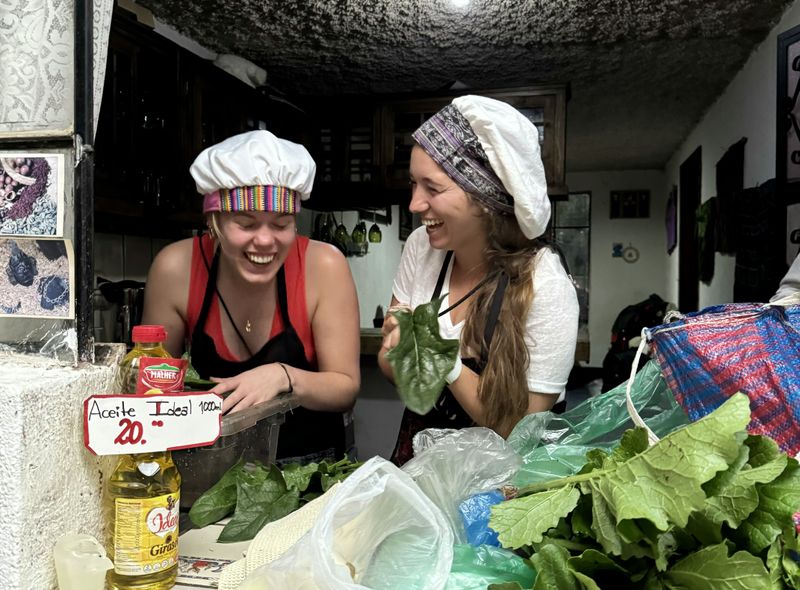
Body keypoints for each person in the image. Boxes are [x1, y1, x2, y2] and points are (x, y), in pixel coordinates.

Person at [377, 95, 579, 465]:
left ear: (484, 197)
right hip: (421, 465)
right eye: (413, 184)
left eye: (432, 188)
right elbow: (391, 370)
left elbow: (522, 430)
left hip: (502, 485)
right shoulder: (421, 248)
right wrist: (398, 345)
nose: (414, 204)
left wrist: (442, 358)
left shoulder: (545, 282)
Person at [142, 129, 360, 463]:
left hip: (312, 470)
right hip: (213, 471)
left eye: (281, 224)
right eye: (246, 224)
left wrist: (283, 376)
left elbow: (345, 388)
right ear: (214, 220)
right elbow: (154, 389)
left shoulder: (324, 266)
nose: (265, 241)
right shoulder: (175, 269)